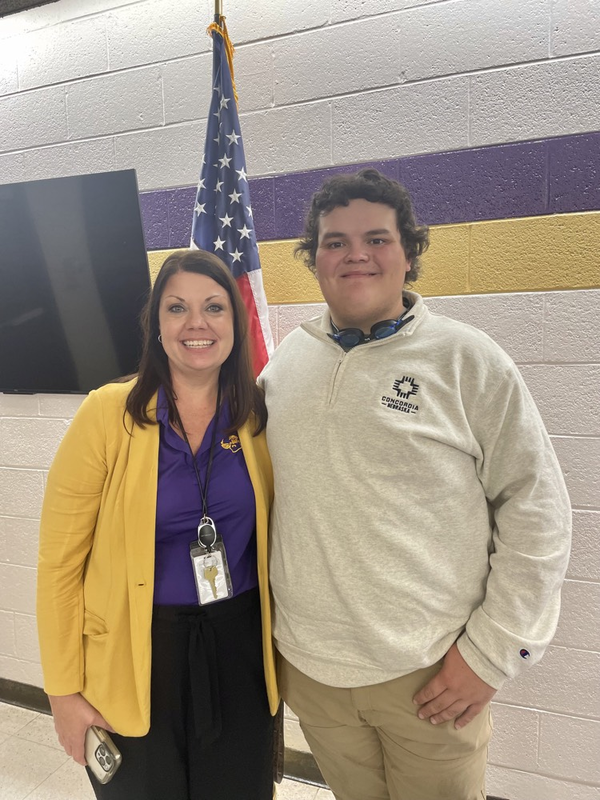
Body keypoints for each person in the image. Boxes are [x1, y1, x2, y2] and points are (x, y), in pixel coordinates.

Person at [260, 169, 571, 800]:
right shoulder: (285, 365)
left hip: (430, 678)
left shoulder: (467, 360)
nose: (355, 254)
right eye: (334, 241)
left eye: (376, 238)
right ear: (314, 259)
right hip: (312, 673)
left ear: (409, 254)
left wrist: (492, 654)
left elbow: (537, 509)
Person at [37, 249, 279, 800]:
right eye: (178, 308)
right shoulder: (106, 414)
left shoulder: (257, 418)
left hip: (239, 652)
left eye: (214, 307)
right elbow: (58, 566)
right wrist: (63, 693)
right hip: (132, 655)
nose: (197, 323)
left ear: (236, 325)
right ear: (157, 325)